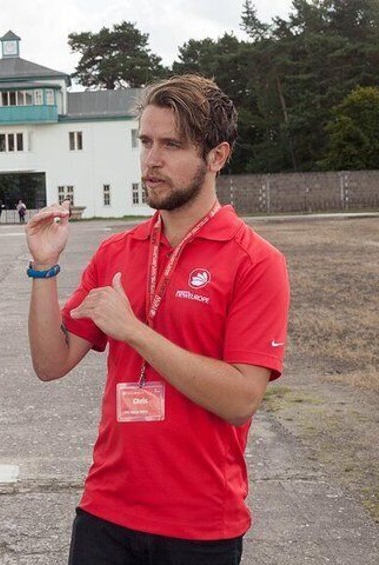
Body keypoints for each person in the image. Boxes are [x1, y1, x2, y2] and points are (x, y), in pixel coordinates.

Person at [26, 75, 289, 564]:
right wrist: (44, 268)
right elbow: (50, 361)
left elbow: (240, 399)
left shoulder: (255, 262)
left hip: (201, 526)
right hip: (106, 513)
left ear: (217, 156)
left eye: (172, 145)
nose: (151, 160)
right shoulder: (117, 251)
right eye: (146, 142)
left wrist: (133, 332)